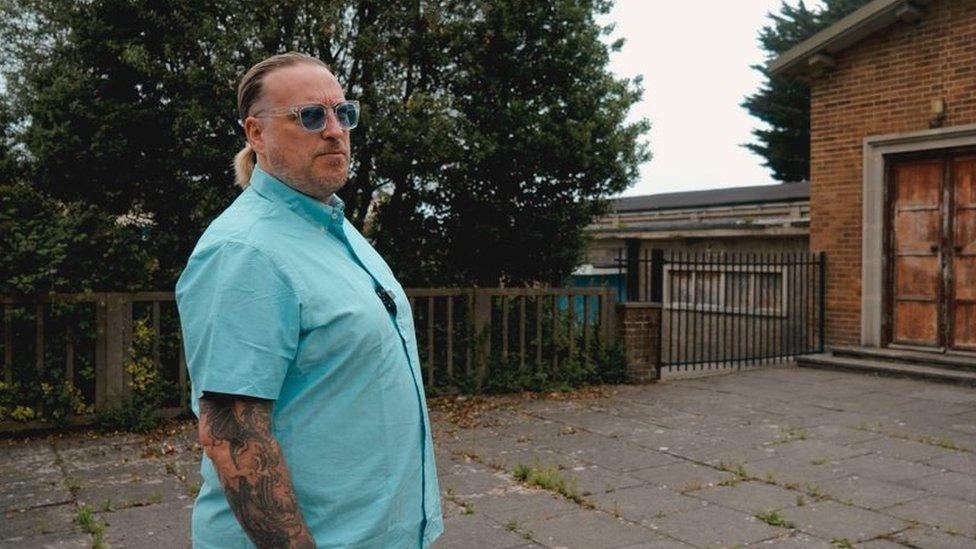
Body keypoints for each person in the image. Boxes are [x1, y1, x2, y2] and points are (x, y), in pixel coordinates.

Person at [175, 51, 443, 548]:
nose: (335, 129)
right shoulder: (245, 251)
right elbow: (234, 436)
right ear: (256, 133)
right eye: (311, 116)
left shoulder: (333, 229)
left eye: (344, 113)